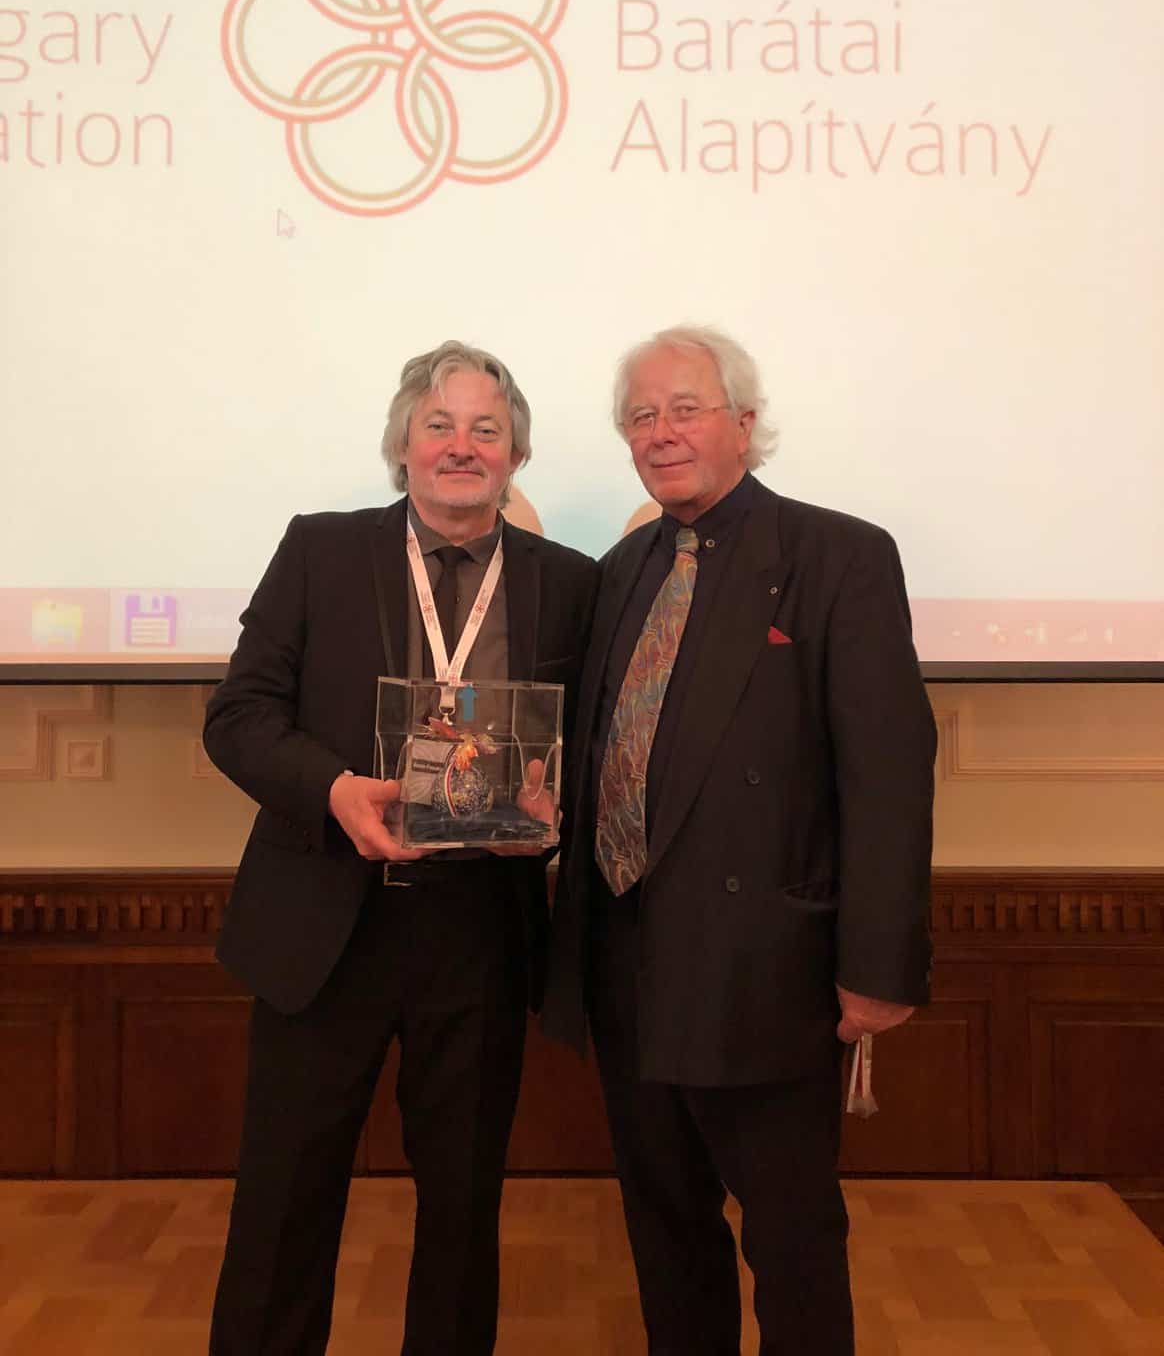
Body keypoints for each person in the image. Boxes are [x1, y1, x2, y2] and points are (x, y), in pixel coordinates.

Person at [542, 324, 936, 1356]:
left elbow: (889, 775)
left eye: (686, 408)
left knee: (792, 1241)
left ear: (745, 422)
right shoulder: (620, 571)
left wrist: (877, 968)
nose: (661, 432)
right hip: (626, 967)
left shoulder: (838, 556)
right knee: (665, 1233)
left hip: (767, 975)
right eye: (641, 415)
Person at [205, 341, 597, 1356]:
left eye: (486, 429)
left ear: (515, 455)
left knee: (463, 1211)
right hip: (323, 925)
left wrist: (556, 812)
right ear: (404, 444)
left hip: (479, 934)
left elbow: (592, 749)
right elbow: (238, 717)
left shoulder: (571, 583)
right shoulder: (320, 551)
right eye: (440, 426)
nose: (462, 447)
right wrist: (334, 789)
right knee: (283, 1205)